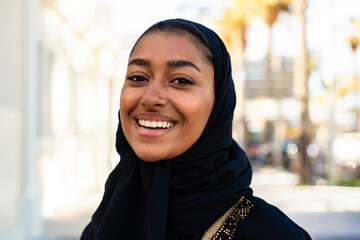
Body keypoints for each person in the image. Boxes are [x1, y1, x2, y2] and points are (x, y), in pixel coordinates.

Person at [81, 19, 311, 240]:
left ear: (219, 103)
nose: (150, 97)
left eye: (181, 81)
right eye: (138, 77)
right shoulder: (102, 226)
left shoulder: (269, 233)